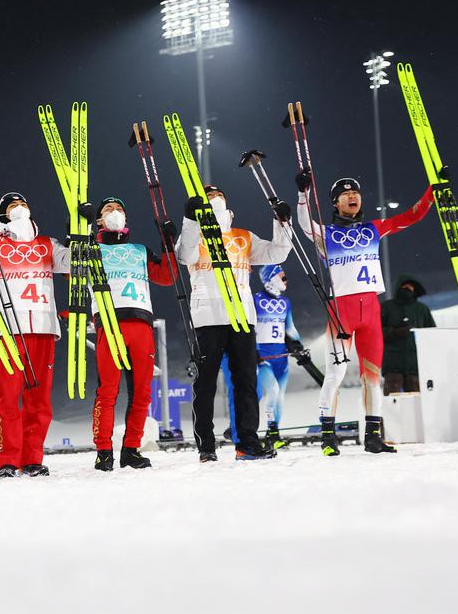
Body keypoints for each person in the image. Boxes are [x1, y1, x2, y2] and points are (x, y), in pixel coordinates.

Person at [296, 172, 434, 454]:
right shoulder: (328, 233)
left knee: (373, 376)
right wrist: (303, 194)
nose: (352, 197)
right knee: (335, 375)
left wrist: (433, 191)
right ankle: (328, 438)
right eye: (346, 194)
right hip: (341, 311)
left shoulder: (374, 228)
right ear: (335, 203)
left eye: (356, 193)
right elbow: (303, 225)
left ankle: (373, 438)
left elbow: (411, 216)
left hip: (370, 309)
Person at [176, 185, 291, 462]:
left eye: (218, 196)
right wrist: (191, 220)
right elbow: (184, 256)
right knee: (205, 384)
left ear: (228, 205)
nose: (214, 200)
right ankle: (206, 446)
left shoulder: (243, 237)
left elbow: (278, 253)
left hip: (241, 316)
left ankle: (247, 443)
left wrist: (282, 222)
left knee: (246, 382)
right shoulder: (195, 236)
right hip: (208, 318)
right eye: (209, 197)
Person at [0, 192, 69, 478]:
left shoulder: (47, 244)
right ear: (2, 215)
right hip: (8, 330)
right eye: (12, 206)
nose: (20, 209)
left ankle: (32, 458)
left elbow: (73, 264)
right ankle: (7, 461)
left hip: (44, 328)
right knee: (8, 398)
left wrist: (80, 233)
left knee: (39, 400)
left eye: (23, 204)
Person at [83, 196, 176, 471]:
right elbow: (69, 272)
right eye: (109, 209)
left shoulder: (138, 249)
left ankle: (131, 449)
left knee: (142, 393)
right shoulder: (93, 249)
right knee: (107, 391)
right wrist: (77, 232)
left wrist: (167, 243)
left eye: (119, 209)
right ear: (99, 220)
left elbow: (167, 276)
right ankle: (103, 451)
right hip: (109, 323)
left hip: (141, 323)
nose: (115, 213)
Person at [251, 264, 304, 450]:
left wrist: (298, 345)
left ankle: (273, 433)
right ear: (271, 278)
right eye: (282, 277)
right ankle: (270, 432)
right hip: (263, 356)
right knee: (271, 390)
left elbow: (290, 327)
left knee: (279, 396)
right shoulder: (255, 300)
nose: (286, 280)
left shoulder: (286, 303)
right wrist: (253, 350)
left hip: (281, 356)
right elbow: (251, 328)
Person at [381, 275, 435, 394]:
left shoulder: (421, 310)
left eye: (410, 287)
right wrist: (396, 332)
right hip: (392, 366)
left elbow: (431, 336)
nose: (407, 290)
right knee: (393, 404)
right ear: (398, 288)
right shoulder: (386, 308)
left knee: (417, 403)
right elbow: (376, 334)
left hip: (415, 366)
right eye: (404, 287)